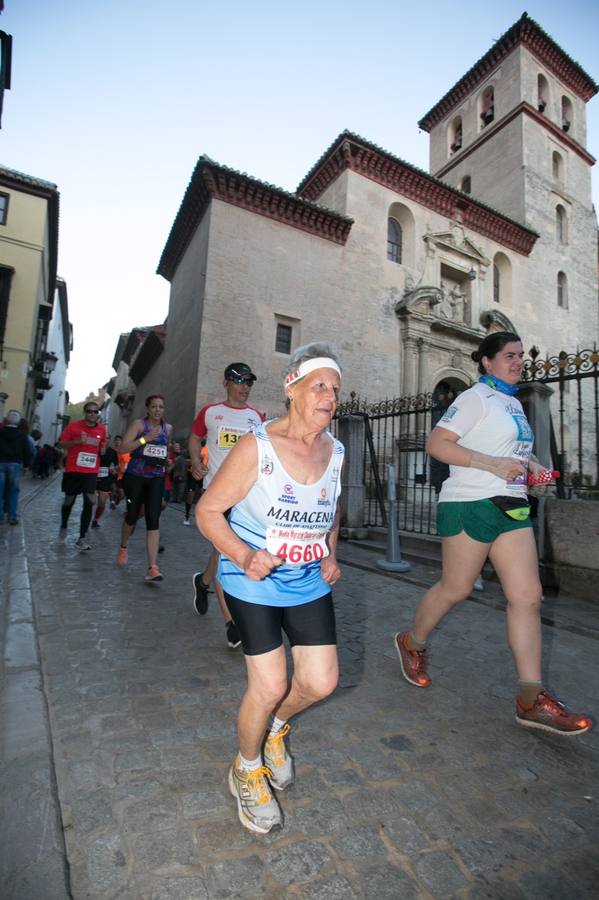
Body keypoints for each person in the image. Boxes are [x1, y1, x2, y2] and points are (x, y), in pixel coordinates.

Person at [395, 331, 592, 737]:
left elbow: (514, 454)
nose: (518, 361)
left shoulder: (512, 403)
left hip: (512, 506)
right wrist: (491, 464)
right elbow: (437, 443)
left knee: (528, 597)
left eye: (520, 355)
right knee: (456, 588)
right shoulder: (473, 398)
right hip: (470, 502)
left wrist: (532, 467)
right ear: (486, 361)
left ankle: (530, 698)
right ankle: (412, 642)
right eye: (509, 355)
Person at [197, 341, 345, 834]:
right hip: (253, 578)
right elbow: (208, 511)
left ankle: (276, 729)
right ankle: (246, 767)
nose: (329, 396)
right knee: (271, 683)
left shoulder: (336, 449)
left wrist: (330, 550)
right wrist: (242, 555)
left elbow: (331, 505)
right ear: (292, 388)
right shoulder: (257, 445)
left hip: (306, 579)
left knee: (321, 682)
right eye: (318, 385)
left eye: (335, 388)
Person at [189, 363, 265, 648]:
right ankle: (231, 622)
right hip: (216, 497)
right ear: (226, 383)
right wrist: (196, 462)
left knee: (223, 551)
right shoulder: (210, 413)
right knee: (225, 553)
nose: (245, 387)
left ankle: (203, 582)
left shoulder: (256, 418)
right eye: (240, 381)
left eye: (249, 382)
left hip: (246, 498)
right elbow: (195, 438)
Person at [117, 394, 172, 582]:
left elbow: (163, 452)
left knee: (153, 519)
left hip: (156, 477)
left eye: (161, 407)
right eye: (154, 407)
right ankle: (123, 546)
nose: (158, 410)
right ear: (148, 409)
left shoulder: (167, 428)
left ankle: (153, 568)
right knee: (131, 516)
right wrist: (144, 439)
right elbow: (123, 448)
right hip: (136, 476)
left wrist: (168, 460)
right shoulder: (139, 425)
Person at [57, 401, 107, 549]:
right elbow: (61, 444)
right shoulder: (73, 426)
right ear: (85, 412)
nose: (92, 414)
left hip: (90, 472)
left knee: (89, 502)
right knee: (69, 501)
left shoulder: (102, 429)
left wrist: (103, 449)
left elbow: (102, 449)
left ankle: (82, 537)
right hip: (73, 470)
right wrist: (77, 441)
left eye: (95, 412)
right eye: (89, 411)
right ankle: (64, 525)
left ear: (98, 414)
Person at [0, 409, 33, 525]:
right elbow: (27, 451)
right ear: (19, 422)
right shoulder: (22, 436)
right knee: (13, 491)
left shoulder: (1, 432)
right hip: (15, 464)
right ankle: (12, 516)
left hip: (1, 463)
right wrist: (27, 465)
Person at [92, 438, 119, 527]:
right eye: (103, 438)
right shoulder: (93, 448)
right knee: (90, 502)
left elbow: (116, 464)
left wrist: (115, 469)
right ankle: (85, 518)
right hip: (91, 477)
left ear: (109, 440)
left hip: (105, 478)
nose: (105, 440)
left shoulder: (112, 452)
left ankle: (95, 520)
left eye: (107, 438)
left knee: (102, 502)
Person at [182, 439, 208, 525]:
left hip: (205, 475)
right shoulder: (193, 448)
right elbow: (185, 462)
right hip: (193, 473)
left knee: (204, 496)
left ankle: (203, 519)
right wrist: (195, 460)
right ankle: (187, 515)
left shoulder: (210, 448)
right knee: (190, 494)